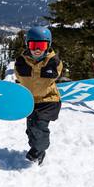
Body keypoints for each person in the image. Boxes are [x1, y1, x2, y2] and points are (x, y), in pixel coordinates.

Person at [14, 26, 63, 165]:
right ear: (27, 45)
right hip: (30, 101)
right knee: (31, 128)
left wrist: (44, 65)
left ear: (48, 46)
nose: (37, 49)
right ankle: (35, 146)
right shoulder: (22, 62)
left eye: (41, 46)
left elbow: (56, 71)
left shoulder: (53, 62)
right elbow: (19, 78)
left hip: (48, 101)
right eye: (33, 45)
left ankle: (38, 151)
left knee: (38, 126)